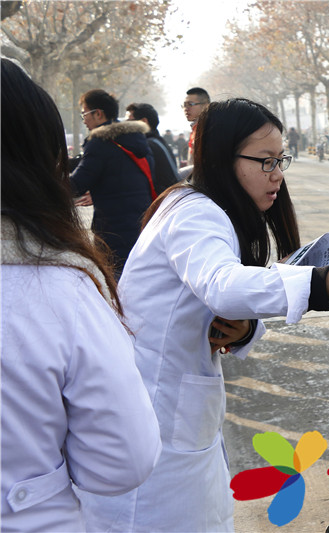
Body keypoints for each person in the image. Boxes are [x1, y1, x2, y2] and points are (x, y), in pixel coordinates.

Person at [76, 97, 329, 532]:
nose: (277, 174)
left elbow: (218, 302)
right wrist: (321, 284)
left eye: (280, 160)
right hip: (155, 422)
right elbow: (221, 285)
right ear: (224, 158)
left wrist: (242, 330)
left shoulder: (207, 210)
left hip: (177, 417)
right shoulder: (195, 212)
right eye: (265, 161)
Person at [0, 58, 161, 532]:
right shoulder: (60, 289)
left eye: (87, 111)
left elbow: (81, 183)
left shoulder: (101, 147)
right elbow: (122, 461)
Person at [70, 89, 155, 277]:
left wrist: (45, 187)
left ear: (98, 113)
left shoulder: (100, 142)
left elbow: (77, 184)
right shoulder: (137, 139)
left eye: (85, 113)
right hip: (142, 222)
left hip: (113, 228)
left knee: (114, 280)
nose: (84, 119)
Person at [126, 102, 179, 194]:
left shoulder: (146, 146)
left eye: (130, 120)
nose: (126, 124)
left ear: (143, 121)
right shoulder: (158, 141)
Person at [183, 87, 210, 164]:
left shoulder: (209, 129)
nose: (186, 109)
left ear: (206, 105)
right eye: (184, 105)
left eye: (190, 104)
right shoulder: (195, 128)